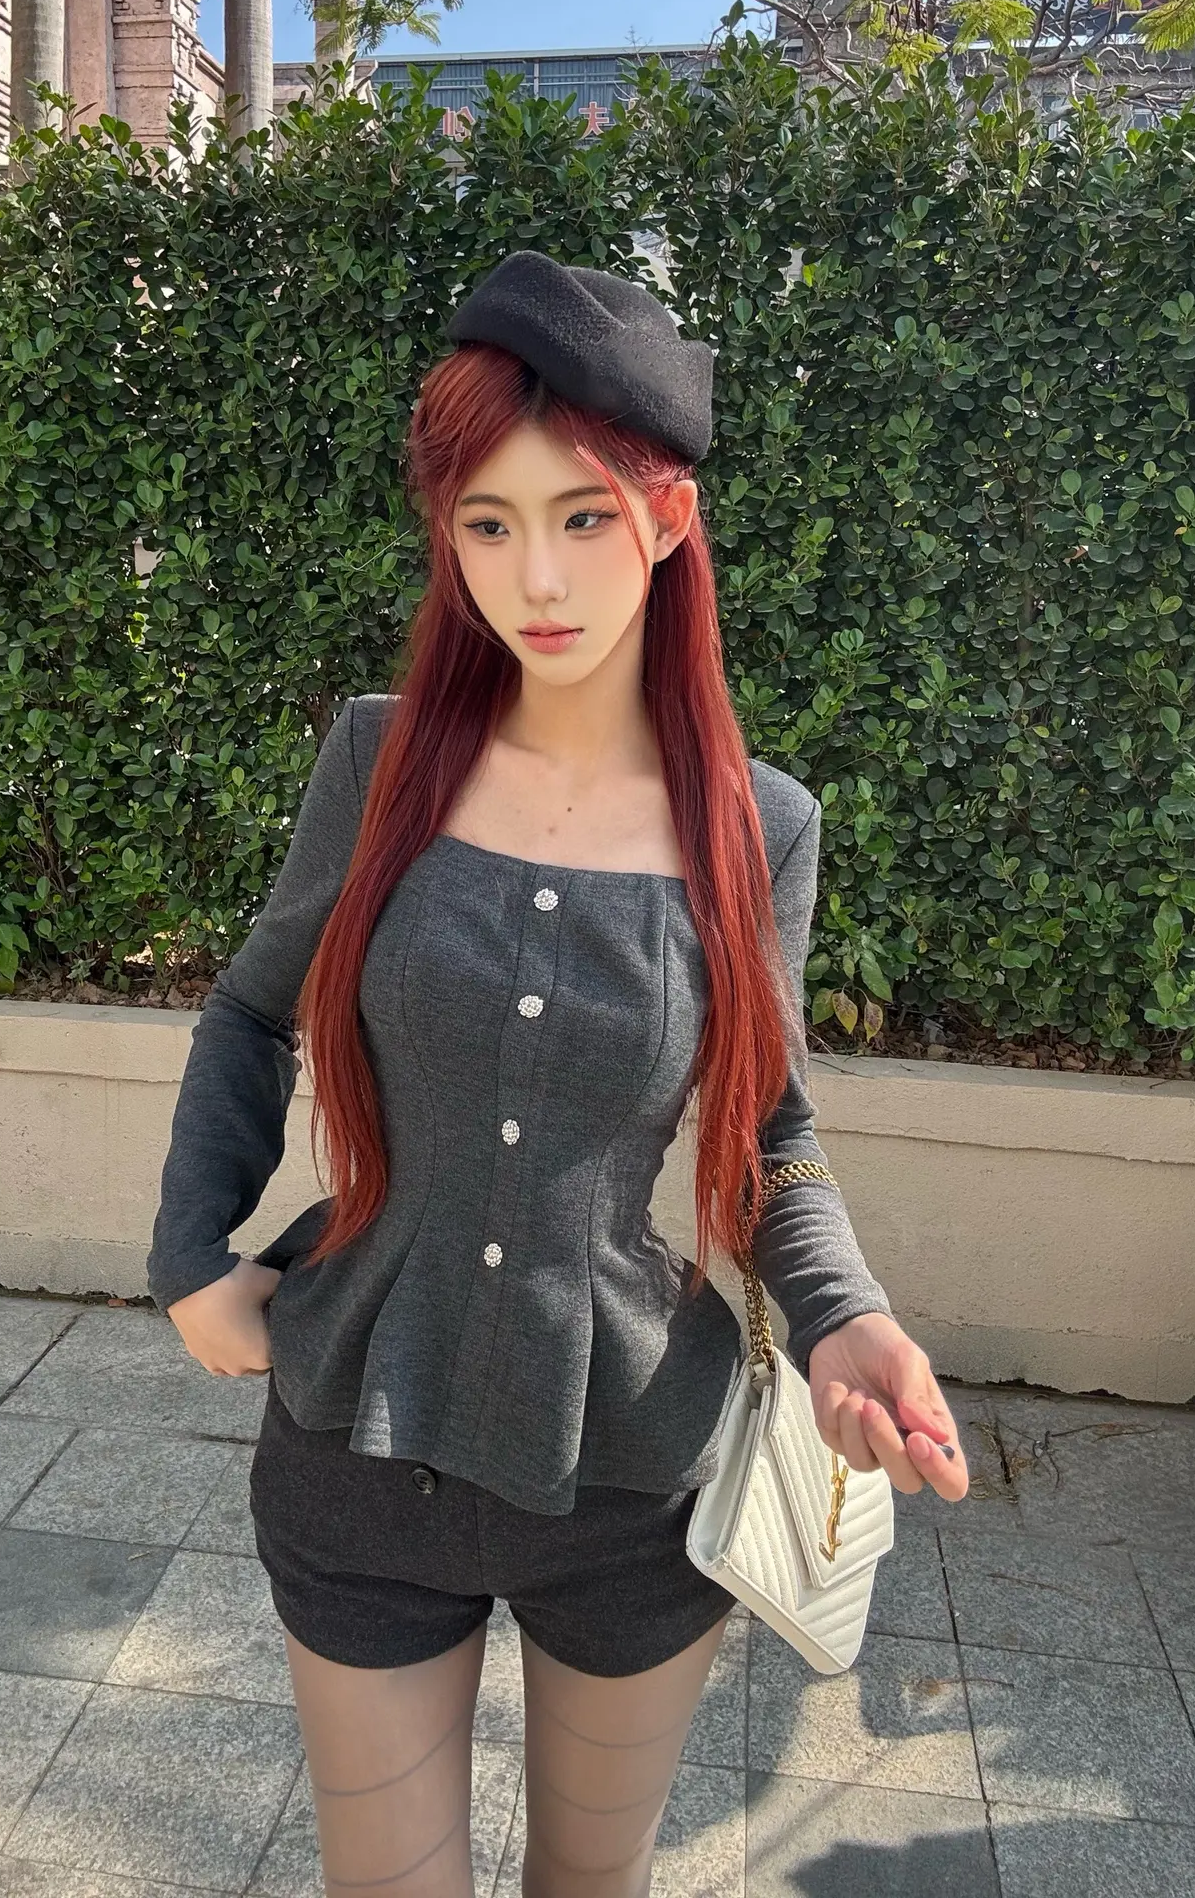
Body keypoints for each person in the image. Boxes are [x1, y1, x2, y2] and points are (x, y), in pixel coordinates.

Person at [146, 250, 967, 1898]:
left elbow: (767, 1128)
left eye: (583, 516)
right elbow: (247, 1013)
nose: (536, 575)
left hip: (631, 1482)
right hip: (356, 1447)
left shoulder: (759, 828)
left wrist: (845, 1317)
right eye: (487, 523)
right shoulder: (380, 760)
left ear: (666, 519)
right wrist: (188, 1258)